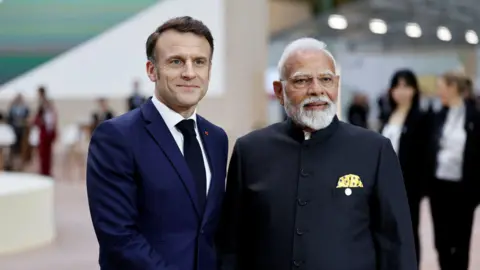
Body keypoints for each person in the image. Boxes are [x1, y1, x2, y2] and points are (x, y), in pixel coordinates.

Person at [216, 38, 417, 270]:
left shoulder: (375, 150)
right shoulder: (250, 151)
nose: (316, 90)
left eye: (325, 79)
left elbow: (397, 245)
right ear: (279, 91)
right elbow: (230, 245)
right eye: (302, 80)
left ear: (337, 85)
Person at [87, 16, 229, 270]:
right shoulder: (116, 137)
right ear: (152, 70)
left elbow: (214, 228)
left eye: (199, 62)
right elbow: (119, 237)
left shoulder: (216, 138)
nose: (189, 72)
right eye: (176, 61)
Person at [427, 72, 480, 270]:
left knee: (461, 241)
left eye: (441, 86)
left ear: (453, 88)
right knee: (441, 241)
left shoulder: (475, 117)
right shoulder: (438, 116)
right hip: (439, 187)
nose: (438, 91)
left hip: (463, 189)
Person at [379, 69, 430, 266]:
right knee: (387, 229)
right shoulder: (388, 115)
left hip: (409, 184)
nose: (401, 91)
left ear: (414, 90)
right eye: (397, 86)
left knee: (408, 230)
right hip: (385, 183)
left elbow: (425, 156)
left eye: (406, 86)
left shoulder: (421, 118)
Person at [34, 86, 57, 176]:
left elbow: (50, 117)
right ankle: (44, 170)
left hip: (46, 130)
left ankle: (46, 171)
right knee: (43, 151)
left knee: (46, 151)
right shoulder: (42, 103)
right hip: (44, 129)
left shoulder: (45, 103)